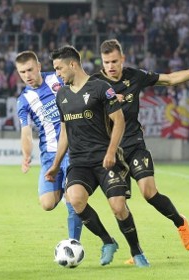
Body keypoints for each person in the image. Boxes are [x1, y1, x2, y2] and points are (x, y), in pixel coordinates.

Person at [92, 39, 189, 263]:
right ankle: (136, 251)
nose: (110, 66)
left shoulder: (135, 76)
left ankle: (180, 222)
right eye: (106, 62)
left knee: (149, 192)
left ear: (122, 59)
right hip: (111, 151)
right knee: (118, 206)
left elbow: (169, 79)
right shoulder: (96, 84)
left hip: (134, 145)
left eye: (114, 61)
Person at [45, 46, 149, 267]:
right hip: (79, 162)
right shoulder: (62, 95)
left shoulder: (101, 88)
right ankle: (107, 241)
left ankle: (136, 251)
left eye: (59, 68)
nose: (57, 74)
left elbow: (119, 121)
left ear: (73, 64)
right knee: (75, 199)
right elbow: (64, 132)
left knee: (118, 207)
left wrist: (112, 152)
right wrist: (55, 165)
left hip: (105, 159)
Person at [15, 51, 83, 241]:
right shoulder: (24, 100)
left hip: (72, 150)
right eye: (22, 72)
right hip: (49, 155)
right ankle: (67, 189)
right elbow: (26, 132)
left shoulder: (57, 77)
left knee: (73, 200)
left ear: (38, 66)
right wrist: (26, 156)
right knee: (47, 203)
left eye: (30, 69)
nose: (27, 75)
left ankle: (74, 242)